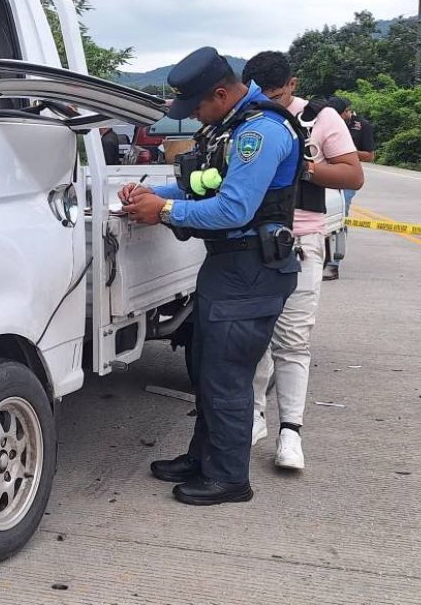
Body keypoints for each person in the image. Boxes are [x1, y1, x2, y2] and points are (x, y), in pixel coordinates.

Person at [119, 47, 300, 506]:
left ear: (220, 93)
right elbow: (199, 182)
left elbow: (234, 207)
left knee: (227, 376)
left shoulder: (261, 132)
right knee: (207, 368)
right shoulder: (229, 125)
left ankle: (229, 478)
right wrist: (150, 193)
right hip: (228, 266)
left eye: (197, 107)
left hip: (251, 270)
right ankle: (204, 458)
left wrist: (161, 211)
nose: (194, 117)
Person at [241, 52, 364, 470]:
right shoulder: (247, 118)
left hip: (301, 239)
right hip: (250, 239)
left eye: (278, 94)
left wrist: (303, 167)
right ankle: (253, 418)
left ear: (292, 84)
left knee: (292, 340)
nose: (272, 103)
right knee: (253, 337)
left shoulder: (320, 118)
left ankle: (290, 433)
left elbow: (352, 175)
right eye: (263, 95)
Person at [322, 95, 373, 280]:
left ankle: (333, 264)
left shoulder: (362, 126)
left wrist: (344, 151)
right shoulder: (321, 122)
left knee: (339, 215)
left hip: (346, 177)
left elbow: (369, 155)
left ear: (346, 112)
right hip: (324, 173)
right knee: (321, 214)